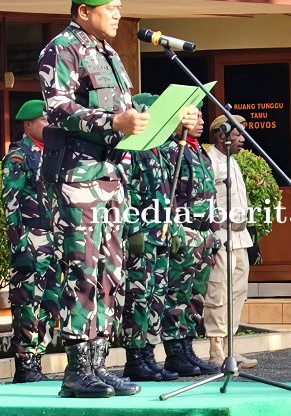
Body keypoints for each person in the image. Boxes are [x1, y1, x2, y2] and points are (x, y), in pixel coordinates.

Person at [39, 0, 197, 398]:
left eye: (120, 7)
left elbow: (127, 111)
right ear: (84, 11)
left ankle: (97, 364)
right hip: (79, 178)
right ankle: (76, 370)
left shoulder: (109, 52)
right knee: (84, 270)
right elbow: (57, 108)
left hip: (112, 177)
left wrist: (160, 120)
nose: (118, 13)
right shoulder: (62, 49)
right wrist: (112, 122)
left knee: (111, 272)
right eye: (110, 8)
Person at [119, 93, 179, 382]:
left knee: (156, 295)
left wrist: (174, 228)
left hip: (160, 234)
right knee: (138, 296)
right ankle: (134, 357)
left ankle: (148, 354)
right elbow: (127, 193)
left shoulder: (157, 149)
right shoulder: (133, 148)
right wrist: (133, 230)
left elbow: (168, 195)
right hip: (143, 235)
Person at [158, 106, 220, 377]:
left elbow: (211, 195)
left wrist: (215, 233)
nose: (201, 122)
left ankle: (188, 348)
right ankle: (175, 353)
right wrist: (173, 232)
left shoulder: (199, 150)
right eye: (194, 118)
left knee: (196, 296)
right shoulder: (172, 150)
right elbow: (164, 194)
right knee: (177, 294)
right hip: (185, 231)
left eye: (201, 118)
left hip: (204, 233)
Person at [2, 99, 59, 383]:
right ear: (28, 124)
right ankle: (25, 364)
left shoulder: (50, 153)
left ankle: (37, 357)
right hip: (31, 238)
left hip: (52, 238)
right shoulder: (19, 155)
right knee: (27, 302)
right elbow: (10, 204)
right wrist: (18, 245)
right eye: (43, 121)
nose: (49, 125)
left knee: (50, 301)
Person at [204, 114, 258, 369]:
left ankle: (230, 349)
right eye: (237, 134)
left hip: (240, 236)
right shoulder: (209, 161)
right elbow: (205, 202)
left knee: (238, 292)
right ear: (221, 135)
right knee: (218, 292)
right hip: (221, 236)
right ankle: (216, 351)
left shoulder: (233, 162)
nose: (243, 139)